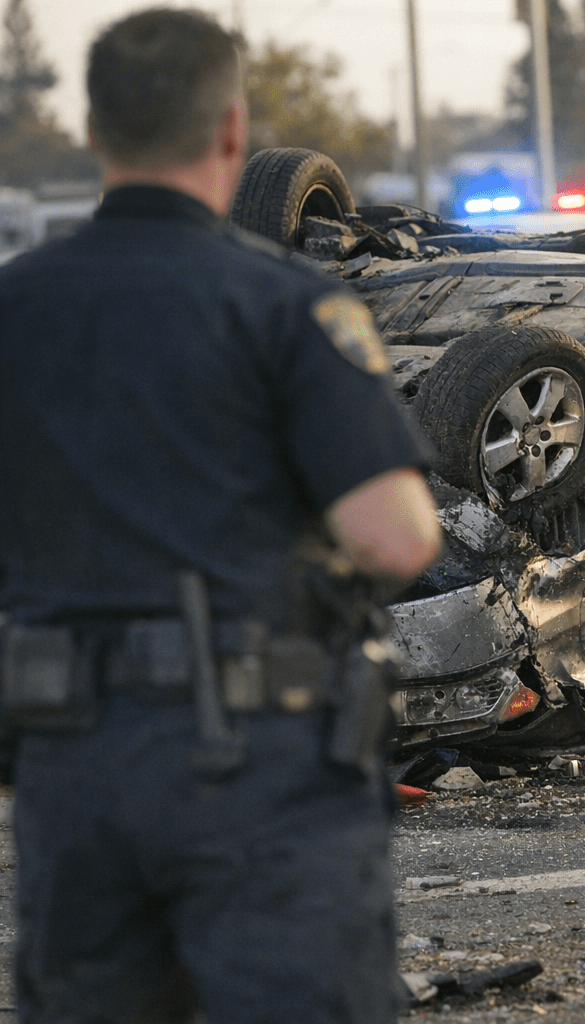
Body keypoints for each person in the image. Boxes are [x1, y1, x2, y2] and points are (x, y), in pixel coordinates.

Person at [0, 9, 443, 1020]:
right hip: (254, 756)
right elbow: (399, 535)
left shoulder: (14, 306)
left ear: (95, 131)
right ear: (233, 133)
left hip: (67, 761)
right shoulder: (286, 305)